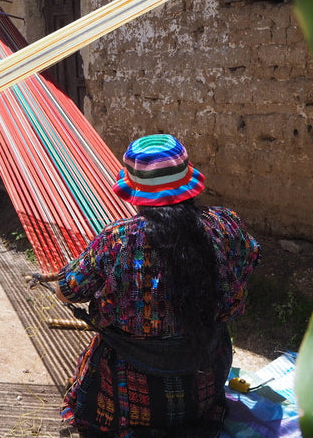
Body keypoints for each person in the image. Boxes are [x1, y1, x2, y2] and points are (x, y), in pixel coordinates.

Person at [49, 134, 260, 437]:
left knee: (96, 356)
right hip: (204, 385)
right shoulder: (226, 226)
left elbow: (67, 291)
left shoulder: (118, 240)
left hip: (129, 396)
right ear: (189, 183)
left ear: (134, 193)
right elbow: (250, 261)